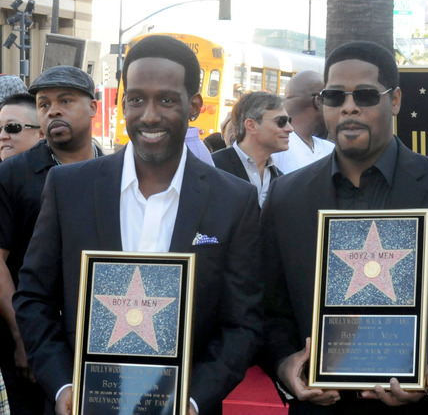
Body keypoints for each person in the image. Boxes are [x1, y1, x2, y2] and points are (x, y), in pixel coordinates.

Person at [13, 35, 263, 415]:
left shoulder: (234, 200)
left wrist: (192, 401)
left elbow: (242, 323)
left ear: (194, 105)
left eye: (166, 100)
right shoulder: (68, 188)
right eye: (136, 99)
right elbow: (34, 299)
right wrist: (63, 386)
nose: (149, 115)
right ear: (122, 103)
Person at [258, 41, 428, 415]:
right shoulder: (286, 197)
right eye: (334, 95)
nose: (349, 106)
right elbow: (266, 307)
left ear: (396, 101)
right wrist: (283, 364)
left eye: (366, 95)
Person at [0, 66, 104, 415]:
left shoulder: (118, 171)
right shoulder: (13, 173)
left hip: (101, 339)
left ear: (93, 107)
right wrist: (21, 336)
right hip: (36, 343)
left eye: (65, 100)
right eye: (43, 104)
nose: (52, 110)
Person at [212, 91, 290, 208]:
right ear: (251, 125)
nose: (290, 128)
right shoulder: (214, 167)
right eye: (281, 122)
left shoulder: (280, 179)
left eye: (289, 121)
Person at [271, 71, 334, 173]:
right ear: (317, 101)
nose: (334, 107)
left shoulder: (330, 149)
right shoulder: (276, 147)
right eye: (330, 99)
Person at [0, 93, 42, 161]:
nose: (2, 136)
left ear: (41, 134)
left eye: (12, 126)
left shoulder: (60, 170)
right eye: (0, 129)